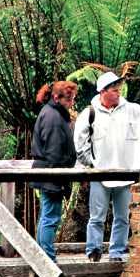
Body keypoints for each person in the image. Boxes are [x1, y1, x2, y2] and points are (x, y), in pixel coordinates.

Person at [74, 68, 140, 262]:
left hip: (126, 173)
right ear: (103, 91)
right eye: (114, 89)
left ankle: (117, 252)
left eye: (118, 89)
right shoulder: (90, 113)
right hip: (101, 174)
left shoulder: (133, 110)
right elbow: (80, 142)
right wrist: (92, 164)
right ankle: (93, 250)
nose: (118, 92)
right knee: (97, 216)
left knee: (122, 217)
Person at [30, 81, 78, 261]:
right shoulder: (53, 117)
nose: (71, 103)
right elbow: (54, 150)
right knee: (50, 218)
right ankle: (47, 258)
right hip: (51, 174)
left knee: (47, 215)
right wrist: (59, 176)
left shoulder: (52, 113)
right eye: (69, 99)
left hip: (51, 173)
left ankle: (42, 256)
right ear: (57, 98)